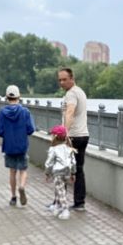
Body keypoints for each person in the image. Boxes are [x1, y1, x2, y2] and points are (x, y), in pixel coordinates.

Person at [0, 84, 35, 207]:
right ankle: (22, 186)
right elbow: (31, 129)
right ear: (19, 97)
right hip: (22, 145)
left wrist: (7, 135)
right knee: (23, 170)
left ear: (7, 97)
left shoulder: (2, 112)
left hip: (9, 146)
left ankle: (13, 197)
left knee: (12, 171)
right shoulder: (25, 112)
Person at [57, 67, 89, 212]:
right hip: (83, 135)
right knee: (79, 170)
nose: (61, 82)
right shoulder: (80, 92)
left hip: (73, 137)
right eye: (60, 80)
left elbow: (69, 112)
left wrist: (65, 133)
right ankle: (79, 202)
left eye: (64, 79)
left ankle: (60, 201)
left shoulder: (71, 94)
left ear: (72, 78)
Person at [44, 125, 76, 220]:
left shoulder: (53, 149)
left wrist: (47, 173)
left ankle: (65, 209)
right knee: (60, 189)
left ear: (55, 137)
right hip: (67, 173)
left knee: (60, 191)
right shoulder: (69, 148)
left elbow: (49, 163)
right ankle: (57, 206)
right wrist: (73, 173)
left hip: (58, 173)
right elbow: (73, 162)